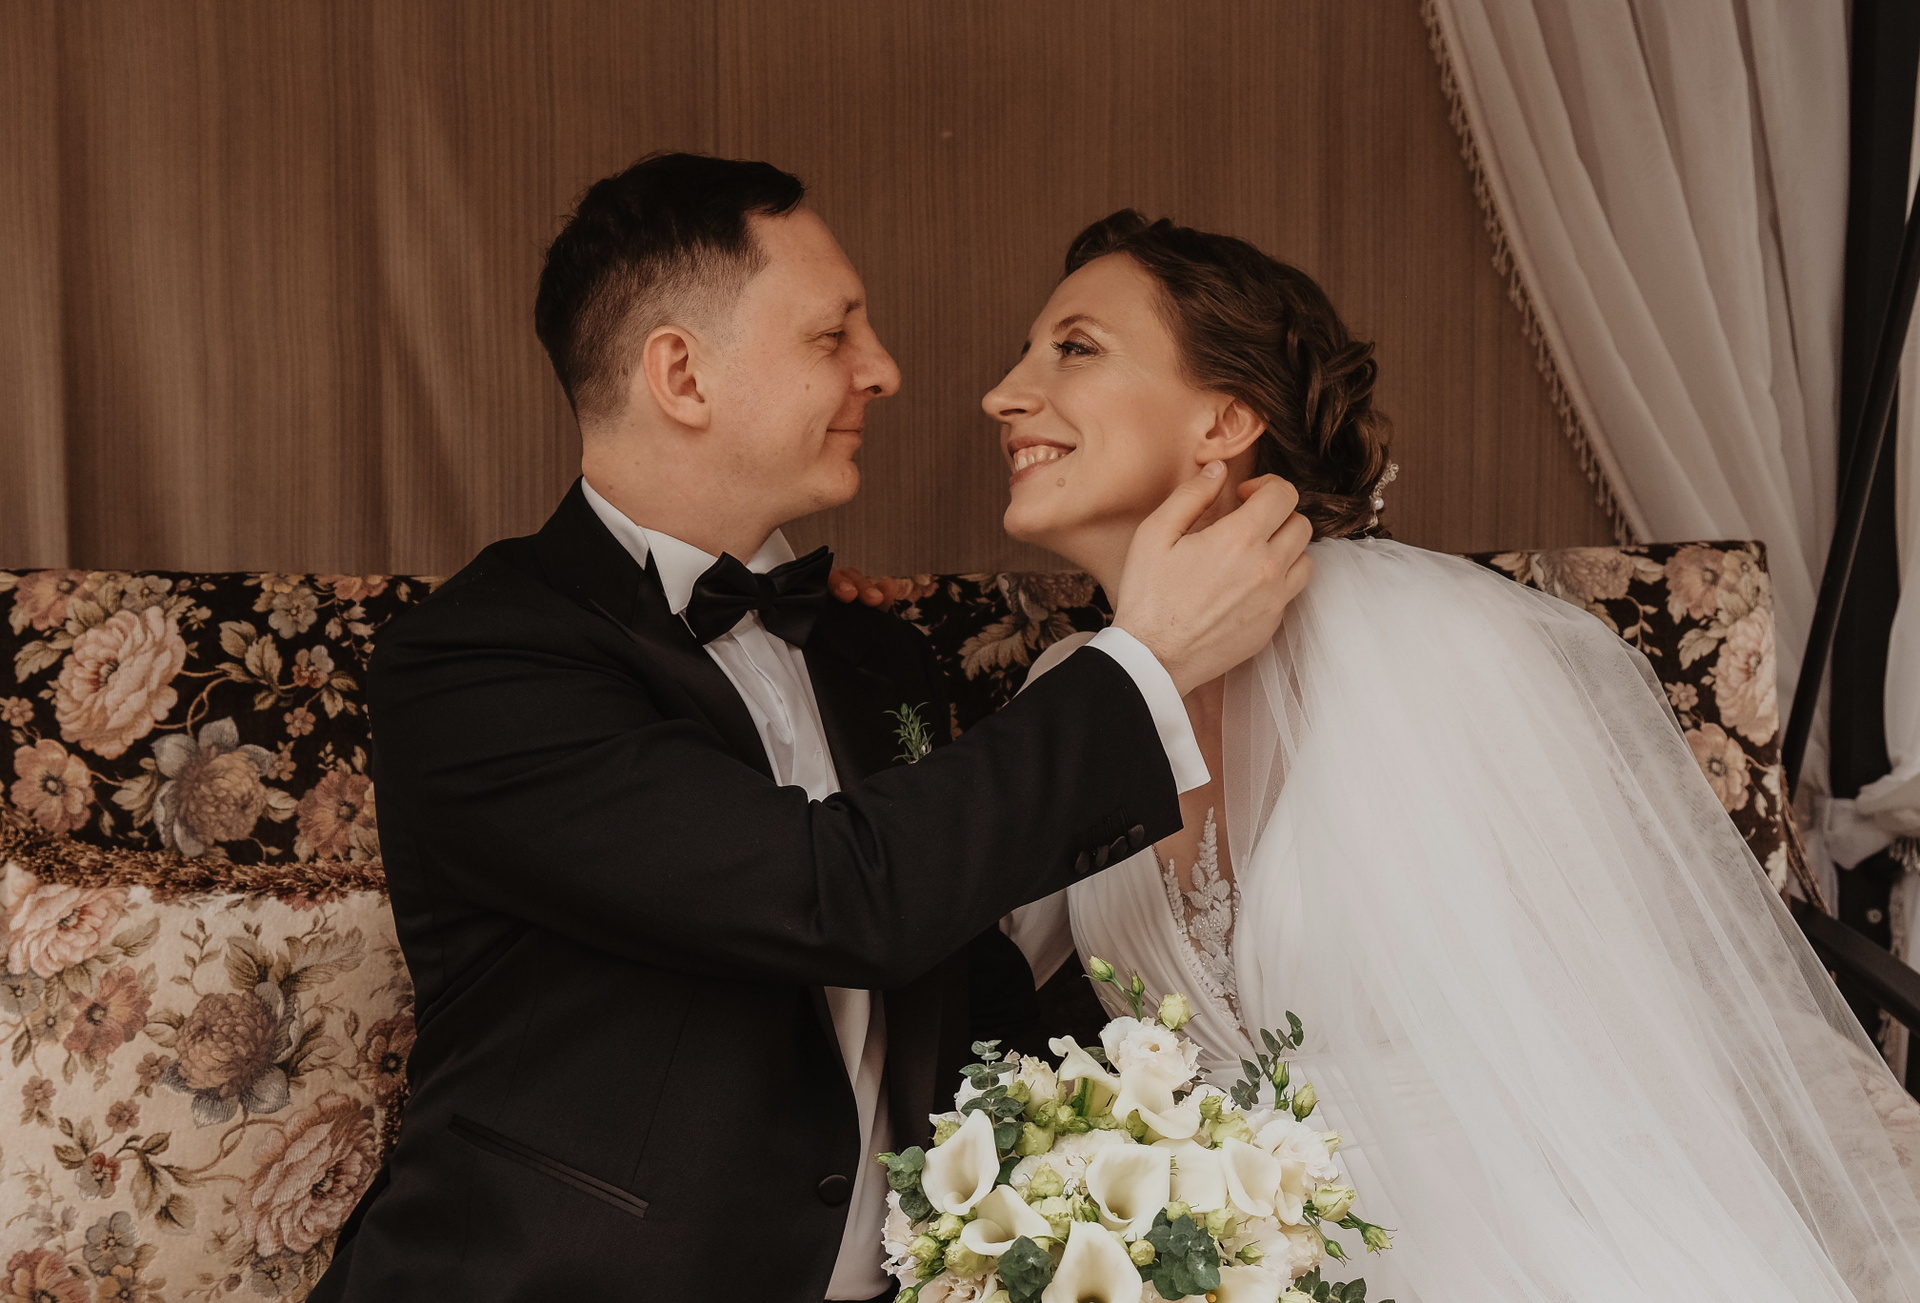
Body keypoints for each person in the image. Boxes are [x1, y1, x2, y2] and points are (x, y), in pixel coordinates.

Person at [307, 159, 1314, 1302]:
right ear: (682, 375)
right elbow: (836, 895)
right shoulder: (481, 660)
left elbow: (967, 977)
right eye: (834, 335)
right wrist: (1145, 663)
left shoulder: (875, 655)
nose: (883, 370)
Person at [983, 210, 1920, 1301]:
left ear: (1225, 420)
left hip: (1490, 1234)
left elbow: (1618, 1029)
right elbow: (951, 954)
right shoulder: (1074, 694)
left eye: (1074, 347)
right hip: (1202, 1254)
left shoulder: (1429, 643)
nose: (1002, 394)